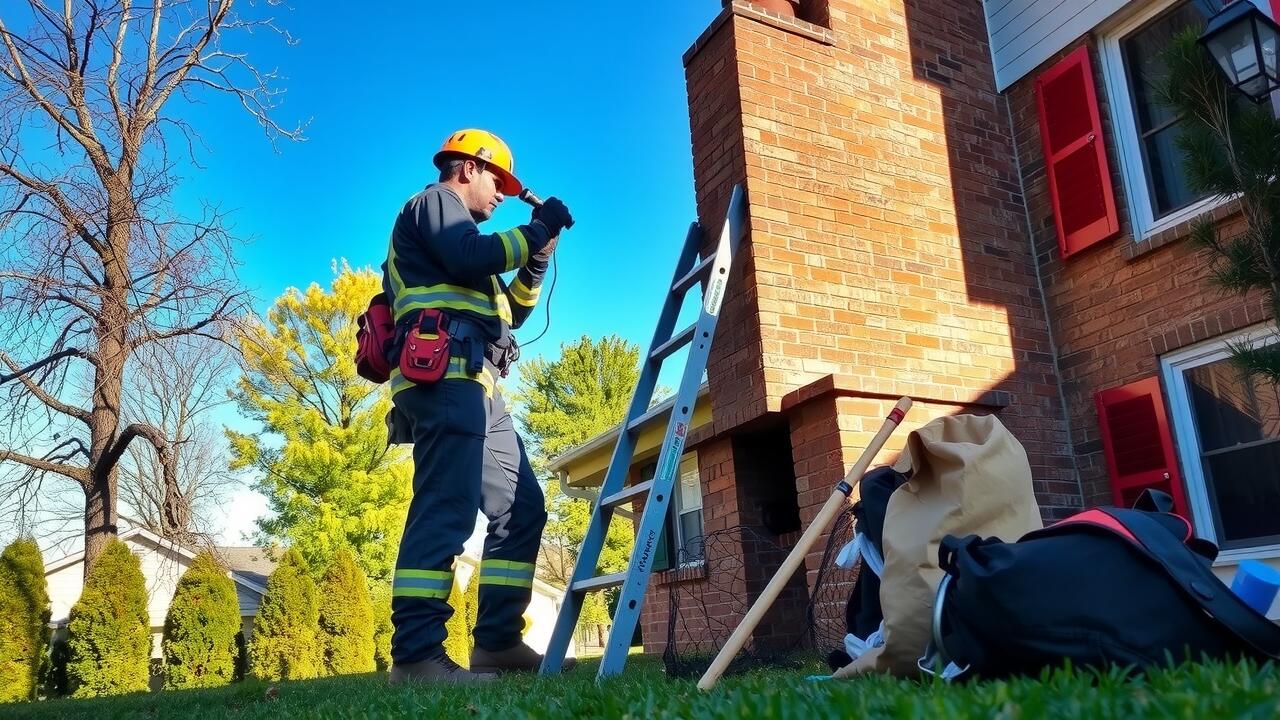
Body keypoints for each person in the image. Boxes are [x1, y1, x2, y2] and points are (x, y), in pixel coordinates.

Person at [381, 129, 573, 684]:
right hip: (443, 375)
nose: (502, 195)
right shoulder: (433, 205)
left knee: (522, 508)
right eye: (498, 182)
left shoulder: (469, 245)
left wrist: (536, 260)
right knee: (446, 506)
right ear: (467, 168)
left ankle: (496, 642)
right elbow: (472, 255)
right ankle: (417, 656)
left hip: (478, 384)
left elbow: (511, 314)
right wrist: (538, 227)